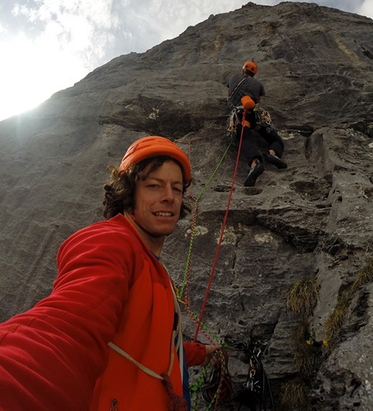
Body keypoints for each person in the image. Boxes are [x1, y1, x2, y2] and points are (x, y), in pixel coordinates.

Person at [0, 135, 219, 411]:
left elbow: (150, 346)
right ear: (129, 193)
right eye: (154, 186)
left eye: (176, 188)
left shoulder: (152, 265)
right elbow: (69, 326)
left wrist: (201, 353)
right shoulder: (111, 242)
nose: (169, 197)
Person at [227, 61, 287, 187]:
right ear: (254, 73)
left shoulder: (233, 78)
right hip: (255, 115)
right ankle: (273, 154)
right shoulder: (258, 84)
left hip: (241, 116)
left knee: (244, 138)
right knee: (275, 138)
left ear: (243, 70)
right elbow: (258, 100)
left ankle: (255, 164)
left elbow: (229, 95)